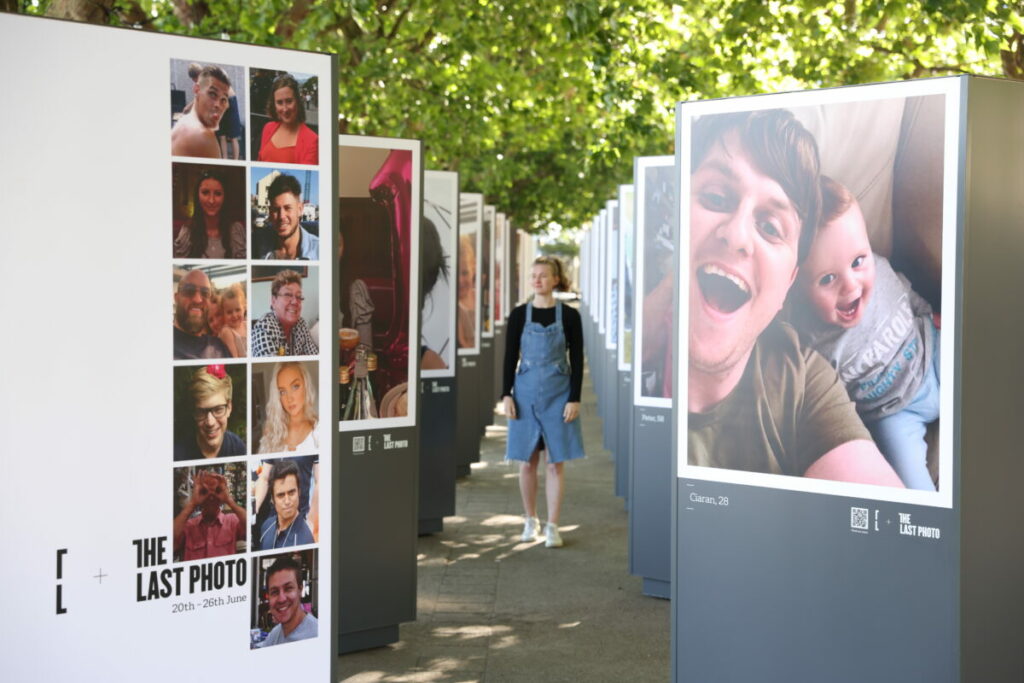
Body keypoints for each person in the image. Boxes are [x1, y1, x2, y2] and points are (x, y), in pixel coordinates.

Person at [685, 109, 903, 486]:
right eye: (717, 198)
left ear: (789, 282)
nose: (737, 236)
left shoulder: (803, 378)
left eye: (770, 227)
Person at [790, 177, 939, 490]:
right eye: (828, 278)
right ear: (799, 290)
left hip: (933, 353)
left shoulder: (881, 269)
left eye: (858, 261)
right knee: (911, 487)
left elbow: (908, 295)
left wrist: (929, 314)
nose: (851, 286)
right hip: (894, 415)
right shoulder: (814, 345)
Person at [502, 256, 585, 548]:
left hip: (559, 393)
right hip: (524, 394)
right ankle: (530, 519)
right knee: (526, 462)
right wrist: (506, 395)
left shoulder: (571, 317)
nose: (537, 280)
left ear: (555, 280)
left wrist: (574, 398)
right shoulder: (518, 315)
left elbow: (577, 359)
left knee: (555, 463)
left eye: (543, 276)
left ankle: (553, 526)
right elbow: (509, 357)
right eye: (533, 275)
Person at [174, 365, 246, 461]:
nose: (210, 422)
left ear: (229, 408)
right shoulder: (178, 454)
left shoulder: (238, 448)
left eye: (218, 410)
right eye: (201, 412)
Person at [173, 469, 245, 561]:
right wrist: (193, 503)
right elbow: (169, 541)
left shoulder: (232, 521)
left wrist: (229, 500)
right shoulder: (189, 526)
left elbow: (250, 528)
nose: (211, 496)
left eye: (217, 491)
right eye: (204, 491)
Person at [173, 169, 246, 259]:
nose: (211, 200)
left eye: (218, 194)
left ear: (225, 197)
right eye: (205, 192)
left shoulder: (236, 230)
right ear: (197, 196)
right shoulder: (187, 232)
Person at [251, 269, 319, 357]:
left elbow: (315, 357)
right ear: (273, 301)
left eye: (298, 296)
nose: (295, 301)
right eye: (287, 295)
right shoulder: (264, 330)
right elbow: (275, 368)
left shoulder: (301, 324)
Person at [257, 73, 319, 165]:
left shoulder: (312, 140)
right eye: (279, 102)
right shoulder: (268, 128)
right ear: (274, 105)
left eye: (289, 101)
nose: (285, 109)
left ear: (297, 101)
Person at [258, 361, 319, 453]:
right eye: (282, 392)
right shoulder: (271, 432)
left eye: (295, 386)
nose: (289, 398)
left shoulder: (319, 429)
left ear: (306, 385)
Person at [171, 65, 230, 158]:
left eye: (223, 100)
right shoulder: (204, 136)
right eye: (212, 94)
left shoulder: (183, 122)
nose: (218, 105)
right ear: (196, 89)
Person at [258, 556, 318, 647]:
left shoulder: (318, 633)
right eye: (275, 592)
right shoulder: (274, 635)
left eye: (288, 588)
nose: (282, 599)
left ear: (300, 590)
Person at [173, 269, 231, 359]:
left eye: (205, 293)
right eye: (189, 291)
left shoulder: (219, 346)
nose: (198, 299)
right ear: (176, 298)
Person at [257, 460, 315, 549]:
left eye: (291, 493)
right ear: (272, 499)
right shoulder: (266, 526)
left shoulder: (305, 541)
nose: (287, 501)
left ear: (299, 492)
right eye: (281, 495)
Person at [261, 173, 319, 260]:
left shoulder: (320, 251)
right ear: (270, 212)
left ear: (300, 209)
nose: (281, 216)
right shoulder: (258, 248)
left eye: (287, 208)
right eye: (276, 209)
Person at [456, 234, 477, 348]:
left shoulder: (482, 299)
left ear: (473, 268)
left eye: (465, 273)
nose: (460, 280)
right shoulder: (455, 308)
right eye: (456, 274)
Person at [218, 283, 248, 358]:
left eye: (238, 310)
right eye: (229, 312)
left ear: (244, 308)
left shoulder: (246, 325)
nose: (234, 315)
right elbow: (234, 357)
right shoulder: (227, 332)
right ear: (223, 313)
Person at [217, 86, 242, 160]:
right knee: (221, 135)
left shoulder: (220, 79)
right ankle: (224, 159)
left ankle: (235, 161)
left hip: (229, 102)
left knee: (233, 137)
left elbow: (227, 105)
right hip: (221, 102)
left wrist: (220, 115)